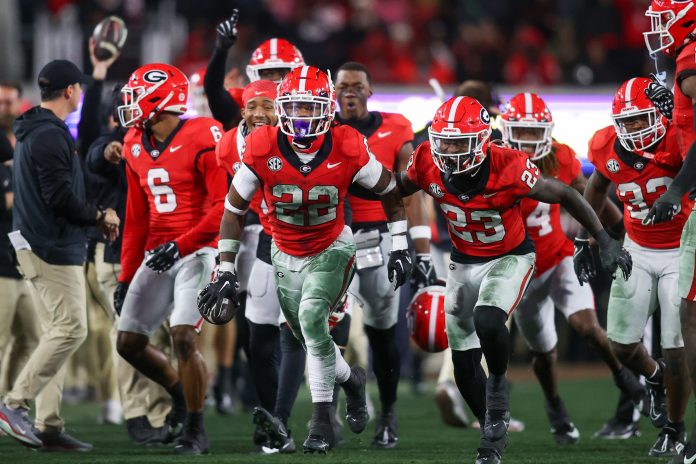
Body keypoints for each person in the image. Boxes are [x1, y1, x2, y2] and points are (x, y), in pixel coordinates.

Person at [394, 95, 632, 464]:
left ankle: (500, 385)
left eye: (461, 141)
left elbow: (567, 193)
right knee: (462, 366)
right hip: (462, 260)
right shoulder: (426, 159)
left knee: (488, 318)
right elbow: (392, 190)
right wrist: (397, 238)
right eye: (445, 140)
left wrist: (602, 238)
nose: (451, 150)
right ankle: (491, 431)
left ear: (483, 141)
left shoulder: (508, 165)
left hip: (510, 256)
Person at [198, 65, 413, 453]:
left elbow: (390, 190)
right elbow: (233, 210)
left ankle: (318, 425)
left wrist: (400, 243)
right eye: (293, 107)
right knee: (305, 335)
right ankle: (351, 381)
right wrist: (225, 268)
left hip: (333, 246)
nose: (300, 117)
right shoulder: (263, 144)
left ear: (326, 109)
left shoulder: (347, 143)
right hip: (283, 249)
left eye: (308, 108)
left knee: (313, 319)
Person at [500, 92, 645, 445]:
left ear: (547, 132)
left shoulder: (561, 157)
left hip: (558, 256)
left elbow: (587, 197)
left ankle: (624, 379)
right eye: (522, 131)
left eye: (536, 133)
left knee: (589, 327)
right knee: (544, 353)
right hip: (519, 267)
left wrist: (617, 232)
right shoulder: (494, 159)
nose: (529, 140)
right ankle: (556, 409)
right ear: (506, 129)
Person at [0, 59, 119, 451]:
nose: (81, 94)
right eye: (80, 88)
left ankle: (48, 424)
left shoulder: (38, 128)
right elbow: (61, 199)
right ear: (70, 90)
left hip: (39, 245)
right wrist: (100, 215)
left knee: (57, 334)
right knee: (72, 330)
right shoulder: (49, 135)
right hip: (50, 247)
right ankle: (13, 404)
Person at [113, 63, 227, 455]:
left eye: (135, 95)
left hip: (198, 249)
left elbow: (222, 208)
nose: (128, 103)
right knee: (127, 342)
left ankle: (196, 429)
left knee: (182, 335)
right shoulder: (133, 141)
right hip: (157, 253)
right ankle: (181, 394)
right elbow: (136, 218)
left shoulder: (202, 134)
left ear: (161, 100)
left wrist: (180, 245)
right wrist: (126, 277)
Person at [580, 77, 692, 457]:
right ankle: (655, 377)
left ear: (661, 114)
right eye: (624, 122)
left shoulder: (680, 138)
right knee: (622, 345)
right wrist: (586, 236)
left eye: (639, 120)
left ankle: (675, 429)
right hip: (637, 249)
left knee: (675, 347)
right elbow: (595, 188)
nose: (630, 130)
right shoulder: (606, 147)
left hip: (682, 251)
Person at [333, 61, 433, 448]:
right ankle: (329, 412)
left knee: (381, 331)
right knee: (331, 329)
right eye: (343, 86)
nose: (350, 92)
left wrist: (419, 252)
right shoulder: (322, 129)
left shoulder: (395, 126)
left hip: (379, 237)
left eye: (358, 85)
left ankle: (388, 413)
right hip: (334, 236)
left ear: (371, 91)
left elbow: (409, 191)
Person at [86, 83, 173, 445]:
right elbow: (96, 152)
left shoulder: (164, 144)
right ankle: (139, 412)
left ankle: (163, 413)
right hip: (117, 257)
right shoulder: (113, 143)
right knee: (130, 336)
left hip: (159, 255)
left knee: (166, 335)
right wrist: (108, 150)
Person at [642, 2, 696, 460]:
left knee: (690, 317)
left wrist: (676, 190)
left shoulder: (691, 56)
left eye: (662, 20)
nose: (656, 32)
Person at [204, 10, 305, 130]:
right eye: (268, 74)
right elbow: (213, 90)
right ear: (254, 74)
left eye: (282, 73)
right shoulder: (244, 103)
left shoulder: (309, 105)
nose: (274, 81)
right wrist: (220, 50)